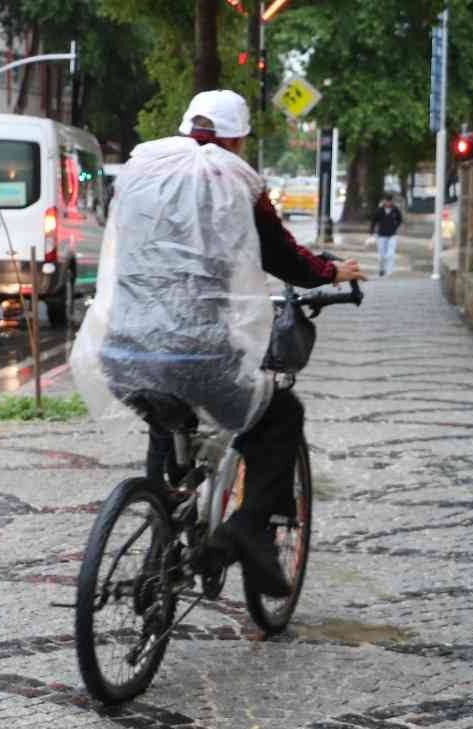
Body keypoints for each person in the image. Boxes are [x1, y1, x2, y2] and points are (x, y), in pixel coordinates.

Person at [145, 90, 364, 597]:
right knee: (279, 414)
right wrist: (329, 271)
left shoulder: (147, 171)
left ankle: (161, 535)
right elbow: (280, 255)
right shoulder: (237, 180)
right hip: (204, 346)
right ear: (237, 139)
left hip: (131, 345)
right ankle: (244, 530)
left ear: (185, 129)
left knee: (167, 418)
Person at [370, 192, 403, 277]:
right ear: (384, 201)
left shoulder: (395, 210)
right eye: (386, 201)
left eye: (390, 201)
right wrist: (372, 232)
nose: (388, 203)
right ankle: (382, 269)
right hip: (381, 235)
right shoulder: (379, 210)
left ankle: (389, 271)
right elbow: (374, 221)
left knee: (390, 254)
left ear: (392, 201)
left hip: (392, 235)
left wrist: (395, 226)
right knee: (381, 255)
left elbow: (400, 219)